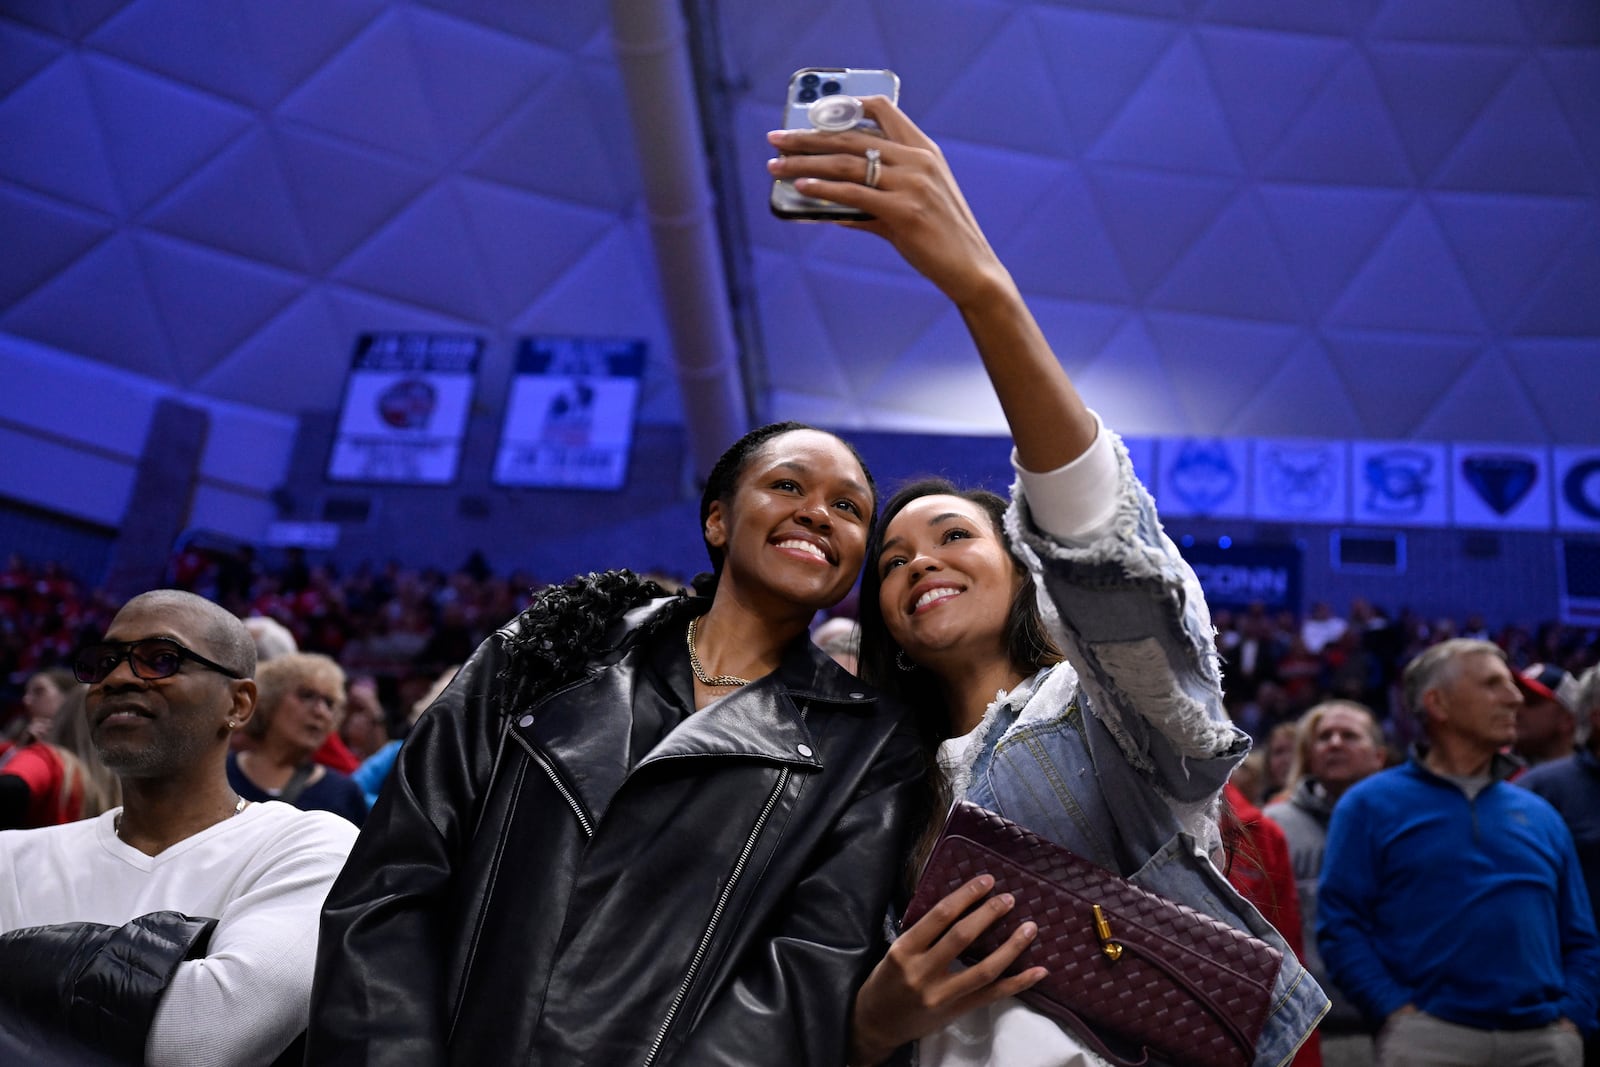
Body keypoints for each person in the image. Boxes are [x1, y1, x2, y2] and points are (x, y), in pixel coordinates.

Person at [762, 97, 1325, 1066]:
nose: (919, 561)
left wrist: (982, 289)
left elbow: (1112, 571)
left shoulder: (1104, 717)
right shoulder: (867, 778)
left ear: (1022, 573)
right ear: (886, 627)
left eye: (951, 536)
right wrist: (867, 1022)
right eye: (891, 561)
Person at [305, 426, 925, 1063]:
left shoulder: (872, 747)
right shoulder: (552, 646)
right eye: (787, 485)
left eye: (847, 508)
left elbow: (804, 976)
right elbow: (393, 878)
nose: (817, 513)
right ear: (717, 520)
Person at [0, 589, 357, 1066]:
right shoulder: (12, 856)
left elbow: (200, 1040)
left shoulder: (308, 845)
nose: (119, 677)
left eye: (162, 659)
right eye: (104, 661)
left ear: (239, 703)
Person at [1319, 639, 1600, 1066]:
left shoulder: (1540, 812)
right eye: (1493, 685)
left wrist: (1572, 1019)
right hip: (1430, 1041)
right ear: (1438, 704)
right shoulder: (1369, 805)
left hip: (1544, 1043)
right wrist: (1395, 1011)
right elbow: (1340, 925)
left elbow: (1580, 937)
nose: (1512, 700)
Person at [1265, 701, 1390, 1066]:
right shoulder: (1274, 827)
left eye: (1349, 736)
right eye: (1323, 738)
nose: (1334, 743)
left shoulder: (1406, 823)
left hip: (1395, 1022)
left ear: (1379, 755)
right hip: (1301, 1028)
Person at [1520, 665, 1600, 1064]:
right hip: (1553, 1002)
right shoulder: (1528, 789)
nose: (1516, 707)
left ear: (1571, 717)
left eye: (1534, 702)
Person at [228, 653, 367, 825]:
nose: (320, 712)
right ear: (269, 699)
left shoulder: (343, 794)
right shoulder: (218, 774)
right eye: (307, 695)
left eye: (329, 703)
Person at [0, 668, 90, 828]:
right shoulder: (23, 746)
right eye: (26, 693)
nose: (26, 700)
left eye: (39, 691)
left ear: (69, 696)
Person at [1514, 662, 1582, 768]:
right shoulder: (1491, 766)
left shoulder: (1592, 780)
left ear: (1567, 720)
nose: (1516, 711)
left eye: (1531, 702)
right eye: (1515, 702)